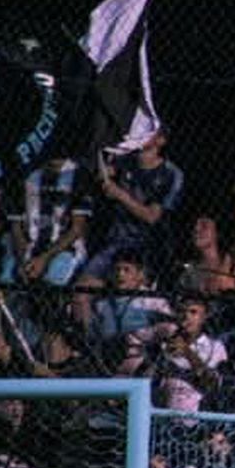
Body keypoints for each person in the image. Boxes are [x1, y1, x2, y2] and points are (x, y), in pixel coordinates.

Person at [74, 128, 183, 326]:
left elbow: (152, 216)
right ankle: (89, 343)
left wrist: (120, 195)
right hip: (115, 243)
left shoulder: (170, 174)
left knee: (131, 297)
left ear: (161, 140)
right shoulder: (126, 161)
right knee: (81, 292)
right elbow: (104, 173)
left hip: (146, 247)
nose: (141, 134)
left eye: (149, 131)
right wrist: (102, 174)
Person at [3, 155, 93, 286]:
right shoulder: (25, 173)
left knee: (52, 281)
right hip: (27, 245)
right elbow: (16, 226)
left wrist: (44, 258)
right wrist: (22, 260)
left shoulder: (79, 175)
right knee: (6, 282)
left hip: (65, 249)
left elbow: (77, 228)